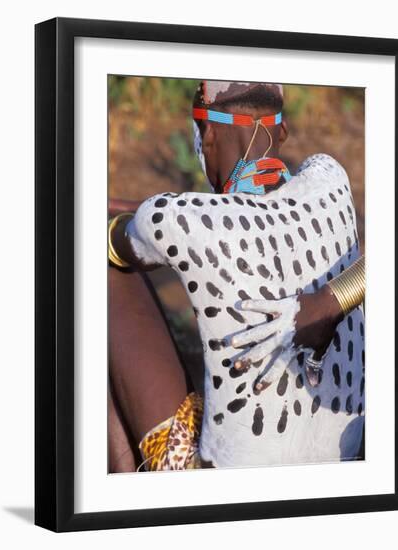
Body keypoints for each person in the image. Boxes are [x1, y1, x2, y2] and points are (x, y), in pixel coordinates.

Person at [108, 80, 365, 471]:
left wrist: (127, 214)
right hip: (343, 453)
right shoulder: (332, 181)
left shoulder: (173, 220)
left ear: (207, 134)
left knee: (100, 265)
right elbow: (251, 216)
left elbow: (124, 241)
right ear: (282, 131)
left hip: (229, 483)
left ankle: (126, 490)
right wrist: (333, 298)